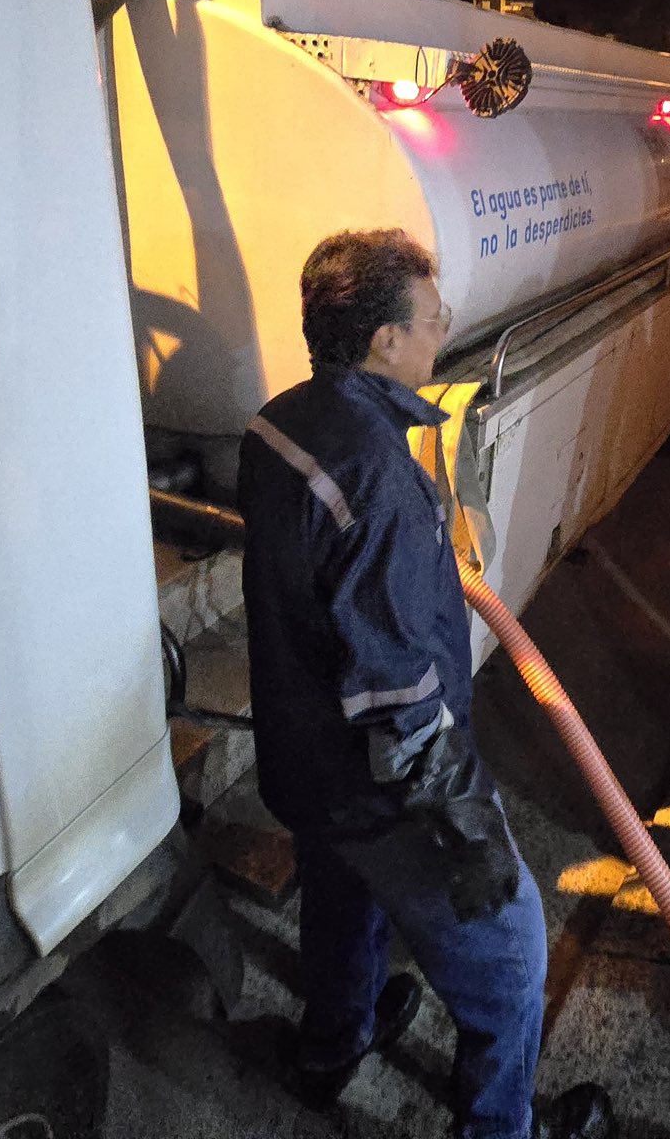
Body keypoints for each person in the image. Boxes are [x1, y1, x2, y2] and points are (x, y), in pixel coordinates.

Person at [235, 229, 612, 1139]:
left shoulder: (275, 422)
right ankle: (497, 1128)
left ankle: (331, 1049)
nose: (442, 330)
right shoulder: (379, 481)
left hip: (303, 760)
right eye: (428, 320)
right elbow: (400, 705)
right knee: (514, 955)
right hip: (377, 789)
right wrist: (471, 831)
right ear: (383, 343)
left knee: (342, 896)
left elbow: (327, 591)